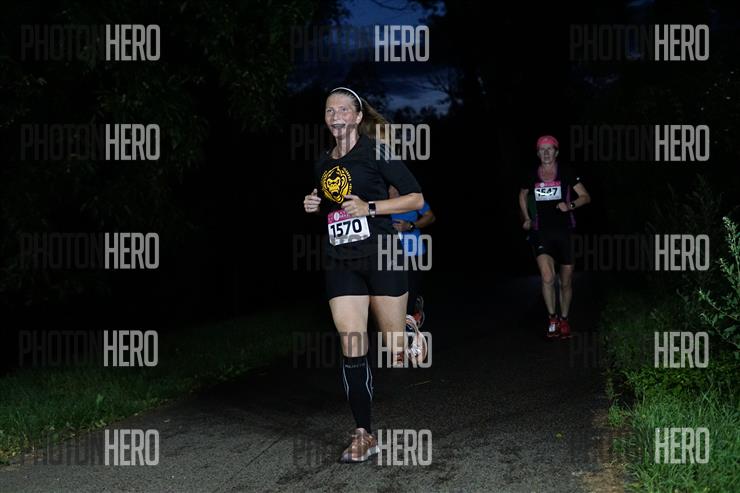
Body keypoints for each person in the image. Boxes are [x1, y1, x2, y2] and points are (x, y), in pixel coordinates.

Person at [302, 87, 427, 463]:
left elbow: (416, 198)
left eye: (344, 109)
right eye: (330, 110)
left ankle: (407, 327)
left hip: (382, 255)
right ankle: (363, 433)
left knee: (395, 350)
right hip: (341, 260)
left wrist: (371, 207)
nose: (336, 115)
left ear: (357, 117)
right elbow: (334, 204)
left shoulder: (377, 152)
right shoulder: (322, 162)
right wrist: (314, 203)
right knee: (352, 342)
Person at [518, 135, 591, 339]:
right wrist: (527, 218)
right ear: (538, 153)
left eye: (550, 149)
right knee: (547, 277)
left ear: (556, 152)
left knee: (566, 282)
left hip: (565, 231)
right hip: (541, 232)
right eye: (542, 150)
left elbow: (586, 197)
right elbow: (522, 195)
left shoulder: (566, 172)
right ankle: (552, 319)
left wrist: (570, 205)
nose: (546, 153)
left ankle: (564, 319)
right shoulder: (532, 174)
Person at [389, 185, 435, 330]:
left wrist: (410, 226)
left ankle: (411, 320)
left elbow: (430, 217)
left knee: (410, 290)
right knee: (393, 292)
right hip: (390, 254)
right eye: (390, 188)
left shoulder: (413, 199)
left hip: (414, 253)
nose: (393, 191)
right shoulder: (380, 201)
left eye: (396, 187)